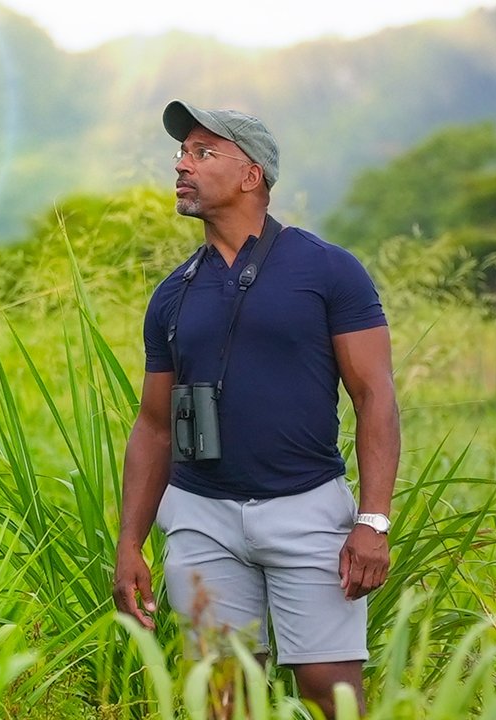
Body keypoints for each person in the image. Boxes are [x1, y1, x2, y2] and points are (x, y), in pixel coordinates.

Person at [112, 100, 401, 718]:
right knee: (223, 698)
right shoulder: (172, 293)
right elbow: (155, 425)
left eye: (201, 152)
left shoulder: (327, 270)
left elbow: (375, 395)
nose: (180, 164)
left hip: (306, 506)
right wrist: (130, 542)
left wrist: (373, 523)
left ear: (252, 175)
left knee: (332, 692)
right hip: (199, 516)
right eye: (182, 152)